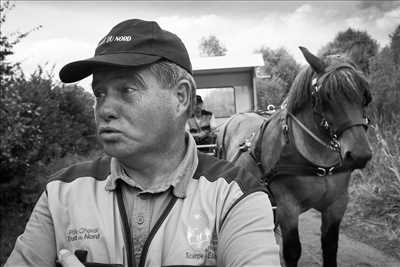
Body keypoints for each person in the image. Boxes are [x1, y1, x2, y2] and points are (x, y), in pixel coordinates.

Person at [5, 19, 279, 267]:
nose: (105, 109)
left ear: (181, 97)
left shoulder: (235, 195)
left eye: (127, 90)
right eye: (99, 93)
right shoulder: (61, 193)